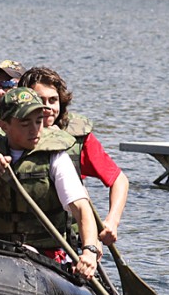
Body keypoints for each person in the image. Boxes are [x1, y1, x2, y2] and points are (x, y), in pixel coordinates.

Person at [0, 88, 101, 280]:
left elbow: (81, 209)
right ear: (4, 125)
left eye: (38, 121)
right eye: (25, 123)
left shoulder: (55, 155)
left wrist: (89, 251)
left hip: (45, 256)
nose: (35, 129)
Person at [18, 66, 129, 246]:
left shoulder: (76, 138)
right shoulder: (9, 135)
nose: (47, 107)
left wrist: (112, 222)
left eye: (53, 100)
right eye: (40, 100)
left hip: (66, 242)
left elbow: (119, 180)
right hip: (17, 238)